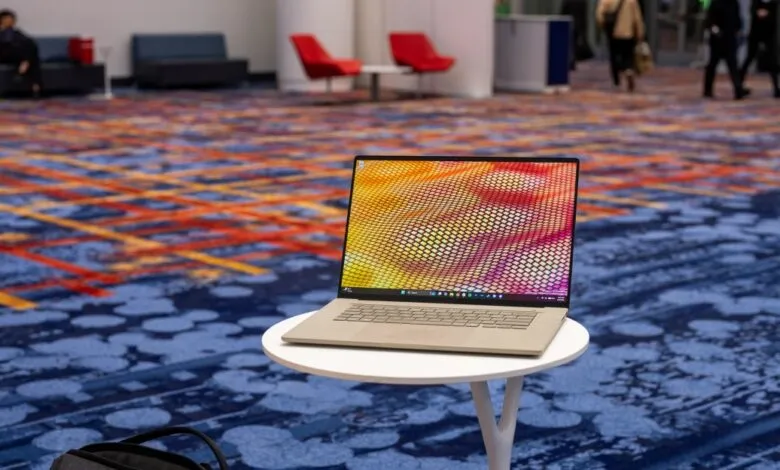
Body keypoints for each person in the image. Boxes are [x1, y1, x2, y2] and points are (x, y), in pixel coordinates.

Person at [703, 0, 750, 99]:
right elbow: (710, 20)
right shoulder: (716, 2)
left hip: (729, 38)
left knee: (732, 65)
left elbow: (737, 20)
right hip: (718, 39)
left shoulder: (733, 3)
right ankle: (707, 89)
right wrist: (715, 30)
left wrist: (738, 31)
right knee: (713, 64)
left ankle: (738, 90)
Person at [596, 0, 646, 92]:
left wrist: (604, 26)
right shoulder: (632, 1)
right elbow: (637, 18)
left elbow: (600, 14)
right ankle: (628, 69)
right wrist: (640, 33)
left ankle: (616, 80)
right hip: (628, 32)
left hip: (613, 32)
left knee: (614, 54)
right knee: (628, 54)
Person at [739, 0, 779, 98]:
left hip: (769, 35)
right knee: (749, 58)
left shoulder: (774, 3)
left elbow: (771, 18)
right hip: (755, 35)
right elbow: (756, 13)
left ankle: (776, 88)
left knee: (772, 62)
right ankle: (738, 85)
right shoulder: (756, 2)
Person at [0, 9, 41, 96]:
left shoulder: (16, 32)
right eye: (7, 19)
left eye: (11, 19)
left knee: (31, 48)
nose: (9, 21)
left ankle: (25, 65)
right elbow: (5, 43)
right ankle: (35, 84)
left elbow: (29, 42)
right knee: (30, 55)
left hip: (16, 56)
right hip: (4, 55)